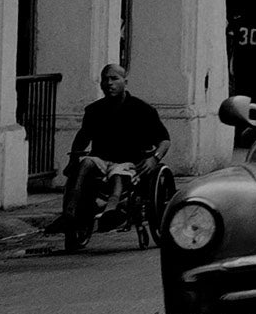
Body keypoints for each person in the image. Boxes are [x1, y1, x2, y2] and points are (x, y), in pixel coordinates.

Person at [51, 64, 171, 237]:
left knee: (118, 173)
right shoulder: (94, 110)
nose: (109, 83)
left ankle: (111, 211)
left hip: (130, 162)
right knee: (85, 163)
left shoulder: (143, 110)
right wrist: (72, 159)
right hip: (101, 160)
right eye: (105, 79)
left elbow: (164, 140)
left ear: (125, 82)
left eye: (114, 79)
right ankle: (70, 213)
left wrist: (154, 158)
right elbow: (82, 137)